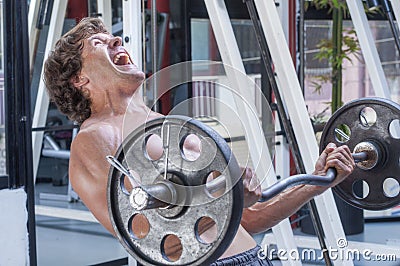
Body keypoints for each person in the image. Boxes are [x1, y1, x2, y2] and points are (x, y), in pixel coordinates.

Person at [43, 17, 355, 265]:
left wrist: (316, 182)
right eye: (97, 44)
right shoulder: (95, 138)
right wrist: (223, 194)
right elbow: (149, 240)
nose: (115, 40)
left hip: (252, 258)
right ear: (79, 79)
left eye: (112, 37)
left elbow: (250, 218)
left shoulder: (165, 125)